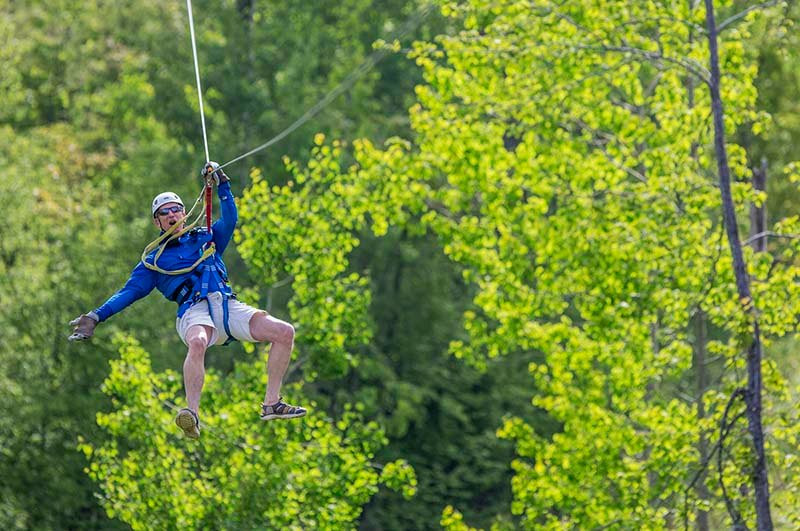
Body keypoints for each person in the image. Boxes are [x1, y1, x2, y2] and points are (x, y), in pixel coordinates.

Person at [68, 162, 306, 439]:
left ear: (183, 212)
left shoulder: (206, 237)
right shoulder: (153, 261)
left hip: (226, 304)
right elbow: (128, 293)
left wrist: (222, 184)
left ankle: (271, 403)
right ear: (157, 222)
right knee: (197, 342)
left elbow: (230, 219)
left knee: (284, 332)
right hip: (194, 311)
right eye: (163, 213)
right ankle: (191, 414)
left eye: (175, 209)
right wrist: (96, 316)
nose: (171, 215)